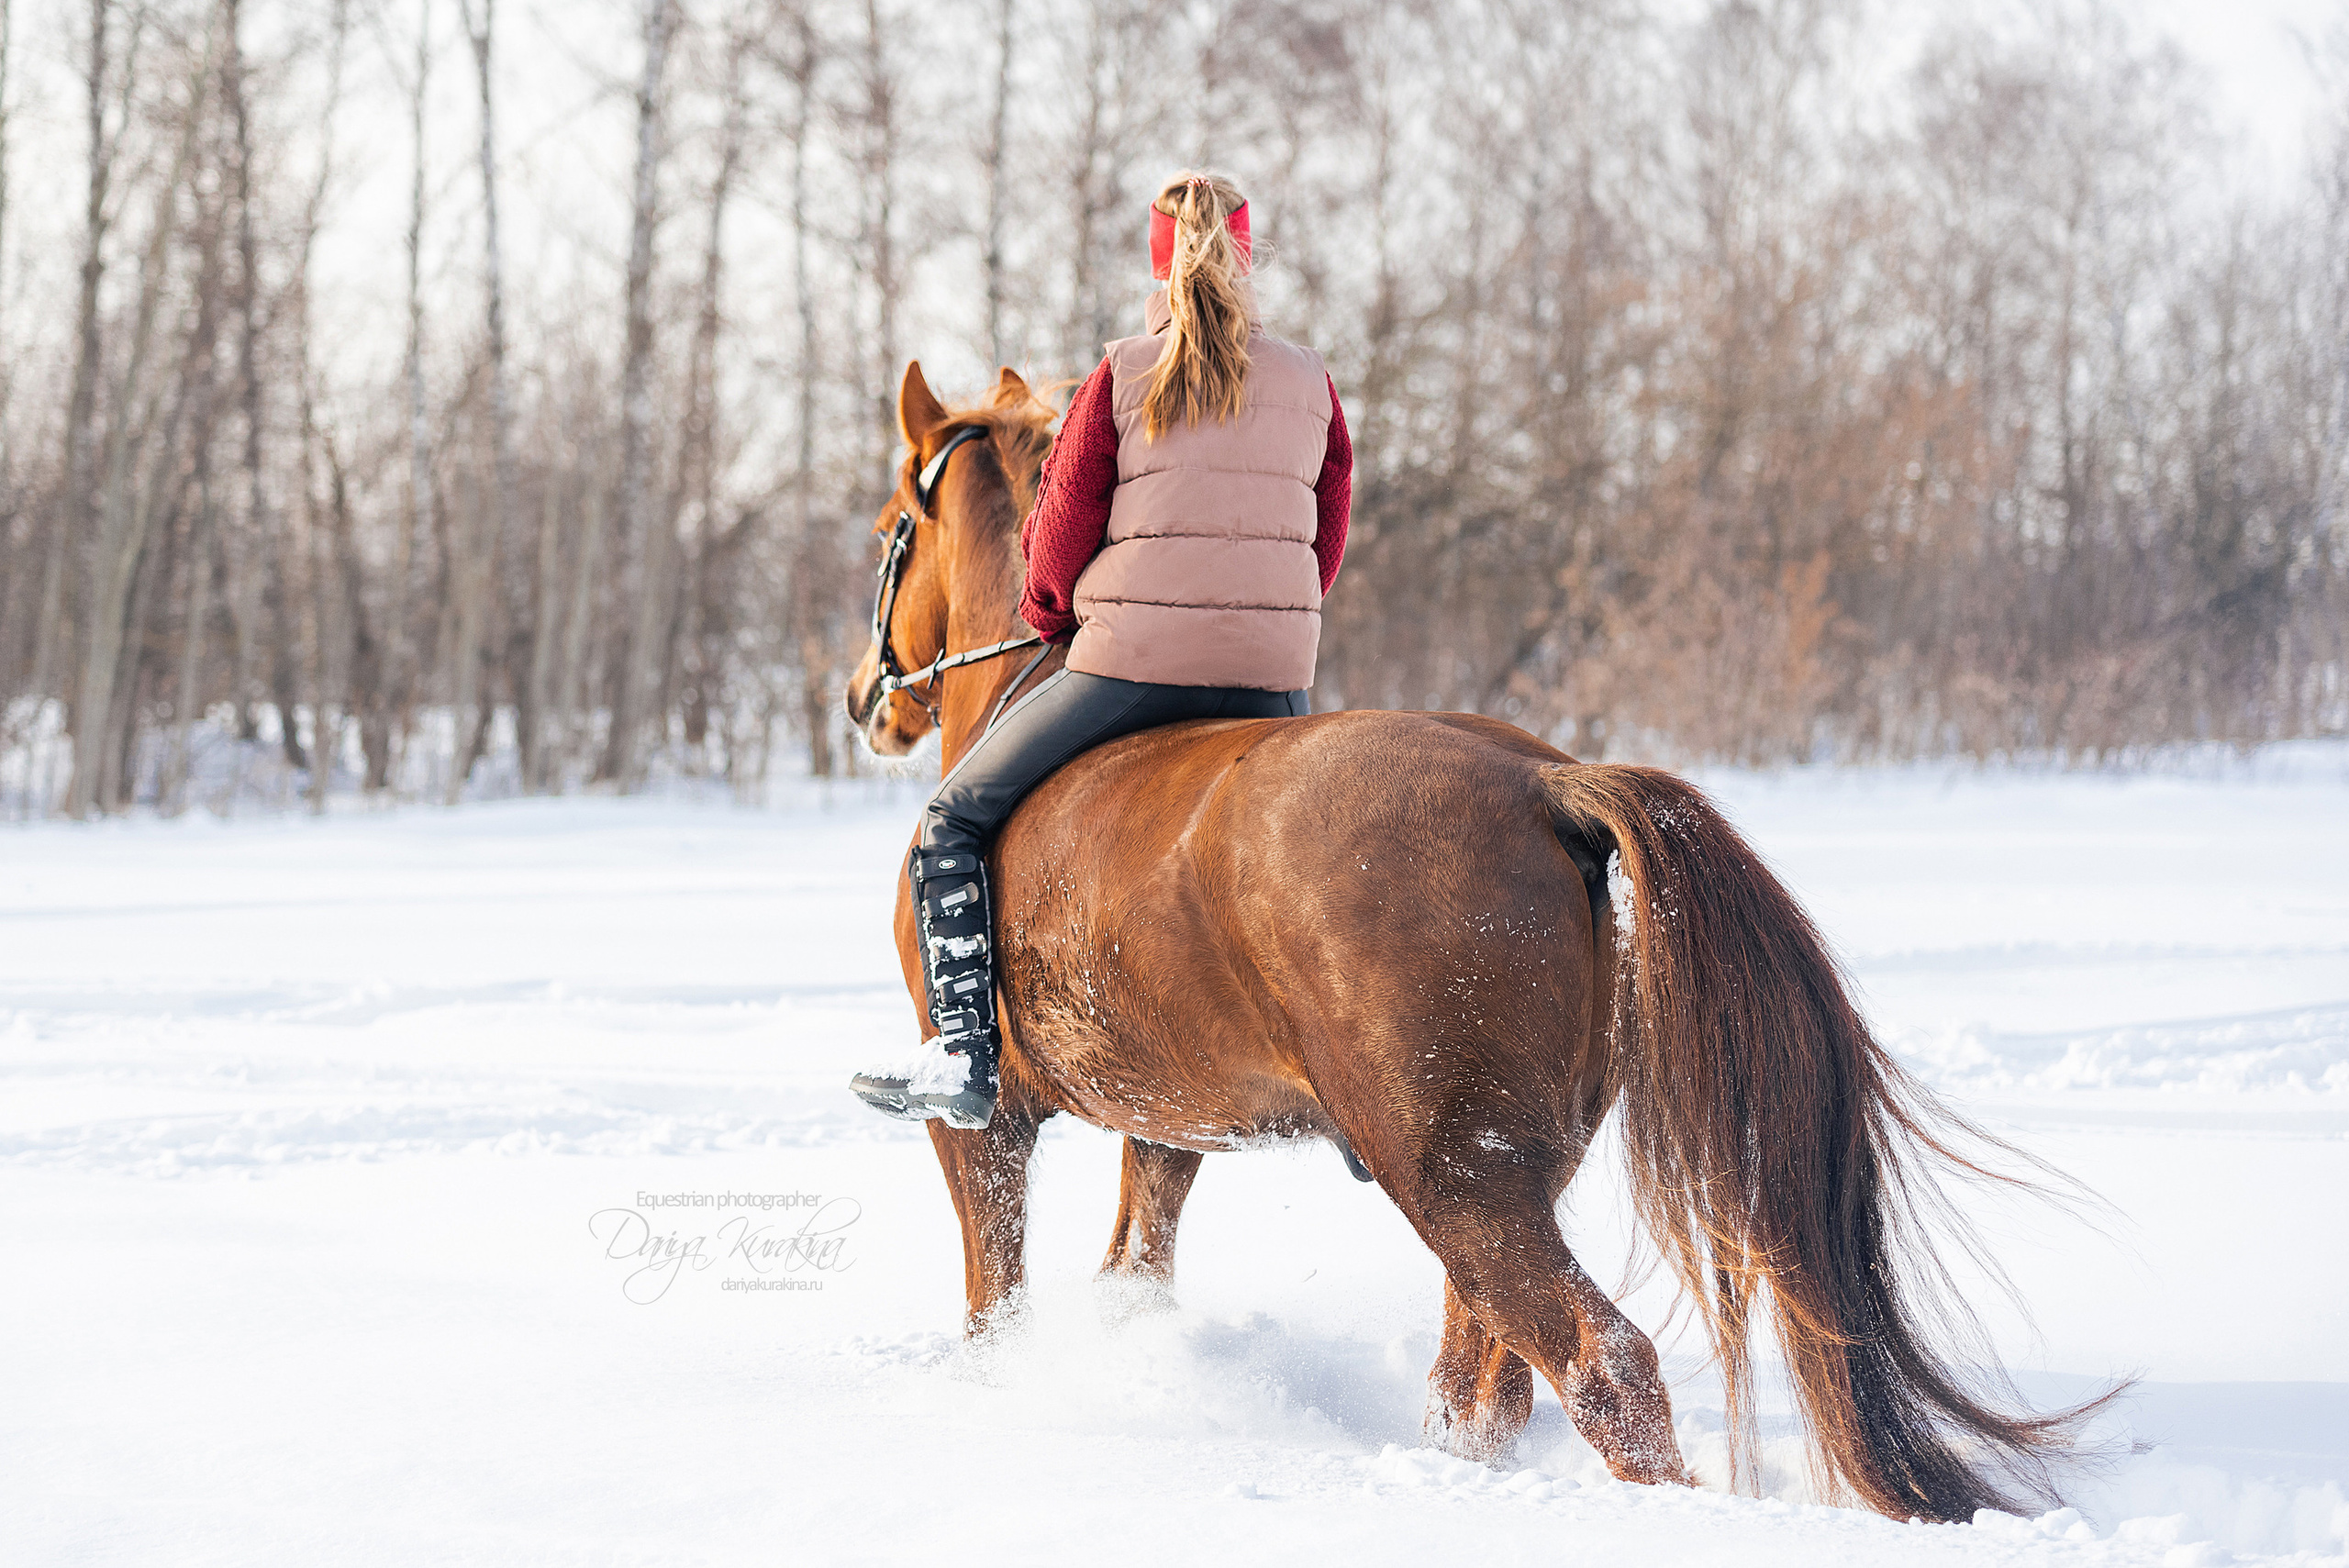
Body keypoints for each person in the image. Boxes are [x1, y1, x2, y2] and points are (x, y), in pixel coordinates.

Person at [851, 170, 1353, 1129]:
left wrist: (1050, 616)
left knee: (950, 823)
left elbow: (1056, 532)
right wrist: (1265, 621)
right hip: (1271, 681)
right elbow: (1324, 536)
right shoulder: (1309, 380)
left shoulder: (1121, 374)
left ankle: (961, 1057)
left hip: (1131, 671)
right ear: (1247, 256)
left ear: (1157, 262)